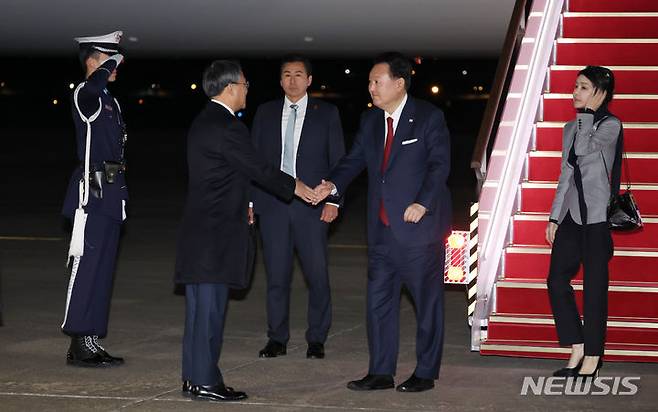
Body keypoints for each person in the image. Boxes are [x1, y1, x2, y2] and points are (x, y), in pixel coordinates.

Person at [174, 60, 316, 402]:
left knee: (197, 315)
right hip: (215, 236)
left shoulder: (204, 121)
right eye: (245, 84)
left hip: (200, 234)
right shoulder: (227, 126)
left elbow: (234, 173)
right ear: (230, 88)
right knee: (209, 313)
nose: (247, 90)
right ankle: (207, 382)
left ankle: (194, 378)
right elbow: (259, 168)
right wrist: (296, 186)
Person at [314, 52, 451, 392]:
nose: (371, 87)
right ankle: (380, 371)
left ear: (399, 83)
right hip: (380, 230)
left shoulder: (428, 117)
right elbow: (354, 159)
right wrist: (332, 184)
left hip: (419, 230)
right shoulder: (371, 121)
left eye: (378, 81)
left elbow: (439, 165)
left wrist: (423, 202)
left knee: (427, 303)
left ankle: (426, 371)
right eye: (370, 82)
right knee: (379, 302)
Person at [251, 54, 345, 360]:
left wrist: (333, 200)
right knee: (277, 277)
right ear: (280, 81)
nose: (292, 80)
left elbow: (339, 161)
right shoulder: (265, 113)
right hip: (273, 206)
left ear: (309, 80)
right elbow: (254, 163)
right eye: (287, 75)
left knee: (317, 276)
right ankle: (277, 338)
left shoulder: (327, 113)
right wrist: (250, 201)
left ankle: (316, 338)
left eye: (298, 75)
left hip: (312, 207)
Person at [546, 66, 620, 378]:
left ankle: (593, 354)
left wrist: (588, 114)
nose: (575, 92)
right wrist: (553, 216)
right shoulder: (569, 126)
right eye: (575, 86)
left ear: (601, 92)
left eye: (583, 87)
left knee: (594, 287)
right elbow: (566, 172)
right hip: (572, 215)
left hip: (597, 217)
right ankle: (575, 344)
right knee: (555, 279)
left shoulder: (611, 125)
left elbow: (586, 150)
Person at [61, 31, 128, 367]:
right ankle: (77, 339)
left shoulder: (110, 101)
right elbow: (91, 87)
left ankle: (91, 339)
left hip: (111, 193)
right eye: (109, 58)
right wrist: (110, 63)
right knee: (86, 268)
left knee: (103, 271)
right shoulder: (85, 95)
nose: (116, 65)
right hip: (91, 193)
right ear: (92, 59)